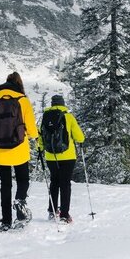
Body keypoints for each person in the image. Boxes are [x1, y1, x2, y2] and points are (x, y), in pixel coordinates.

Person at [0, 72, 38, 230]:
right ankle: (20, 204)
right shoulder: (23, 100)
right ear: (19, 84)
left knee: (5, 185)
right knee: (22, 180)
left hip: (0, 150)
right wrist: (35, 137)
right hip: (19, 149)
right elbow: (31, 128)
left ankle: (5, 221)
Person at [40, 94, 85, 224]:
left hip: (50, 155)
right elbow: (79, 137)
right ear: (63, 104)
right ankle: (64, 215)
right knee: (65, 184)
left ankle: (52, 211)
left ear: (52, 104)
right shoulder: (68, 117)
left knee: (54, 182)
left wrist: (41, 148)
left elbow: (41, 135)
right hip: (68, 156)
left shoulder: (45, 117)